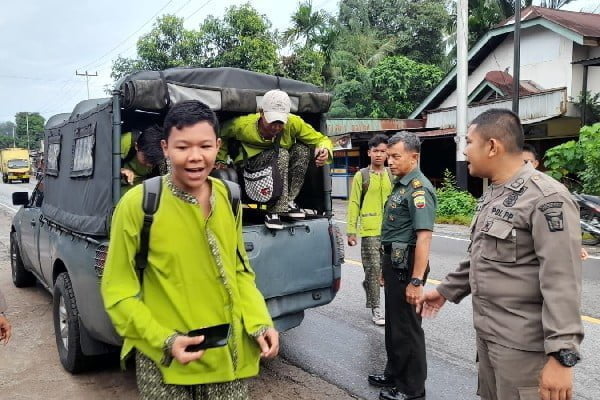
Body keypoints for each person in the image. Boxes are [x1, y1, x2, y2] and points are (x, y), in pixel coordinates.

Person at [101, 100, 279, 400]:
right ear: (166, 147)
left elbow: (239, 271)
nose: (195, 157)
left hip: (228, 361)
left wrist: (260, 321)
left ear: (218, 146)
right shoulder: (138, 205)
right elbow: (118, 291)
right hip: (165, 366)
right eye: (183, 147)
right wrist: (164, 340)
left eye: (205, 146)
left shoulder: (229, 196)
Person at [419, 109, 584, 400]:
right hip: (490, 337)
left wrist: (562, 356)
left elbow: (562, 280)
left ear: (492, 146)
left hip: (524, 349)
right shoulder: (495, 193)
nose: (464, 150)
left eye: (469, 142)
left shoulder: (546, 198)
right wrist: (445, 290)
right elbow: (482, 254)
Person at [368, 131, 436, 400]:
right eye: (388, 156)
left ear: (414, 157)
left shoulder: (419, 189)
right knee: (394, 325)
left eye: (396, 156)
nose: (389, 162)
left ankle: (412, 390)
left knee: (408, 328)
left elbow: (424, 237)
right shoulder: (401, 185)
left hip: (408, 266)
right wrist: (386, 269)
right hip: (394, 263)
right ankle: (394, 373)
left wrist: (416, 280)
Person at [216, 89, 333, 230]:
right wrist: (220, 160)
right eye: (272, 122)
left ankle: (288, 201)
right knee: (282, 153)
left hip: (278, 170)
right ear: (261, 113)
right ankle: (275, 211)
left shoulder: (294, 123)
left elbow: (321, 139)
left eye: (280, 122)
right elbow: (219, 134)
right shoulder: (243, 125)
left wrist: (324, 150)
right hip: (251, 169)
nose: (276, 127)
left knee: (302, 150)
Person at [347, 134, 393, 326]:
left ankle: (373, 288)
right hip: (369, 230)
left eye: (383, 151)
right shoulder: (362, 176)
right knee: (373, 269)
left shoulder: (392, 174)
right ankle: (376, 308)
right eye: (376, 151)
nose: (379, 155)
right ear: (369, 152)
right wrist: (351, 230)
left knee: (389, 270)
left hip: (391, 230)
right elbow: (354, 203)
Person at [521, 143, 588, 260]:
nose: (524, 166)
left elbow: (560, 226)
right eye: (521, 162)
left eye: (528, 162)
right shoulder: (507, 188)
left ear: (536, 163)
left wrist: (574, 246)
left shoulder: (549, 188)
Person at [120, 124, 165, 193]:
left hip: (139, 186)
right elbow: (102, 165)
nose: (149, 165)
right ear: (136, 146)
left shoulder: (164, 154)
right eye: (146, 159)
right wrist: (120, 170)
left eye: (153, 162)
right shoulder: (126, 141)